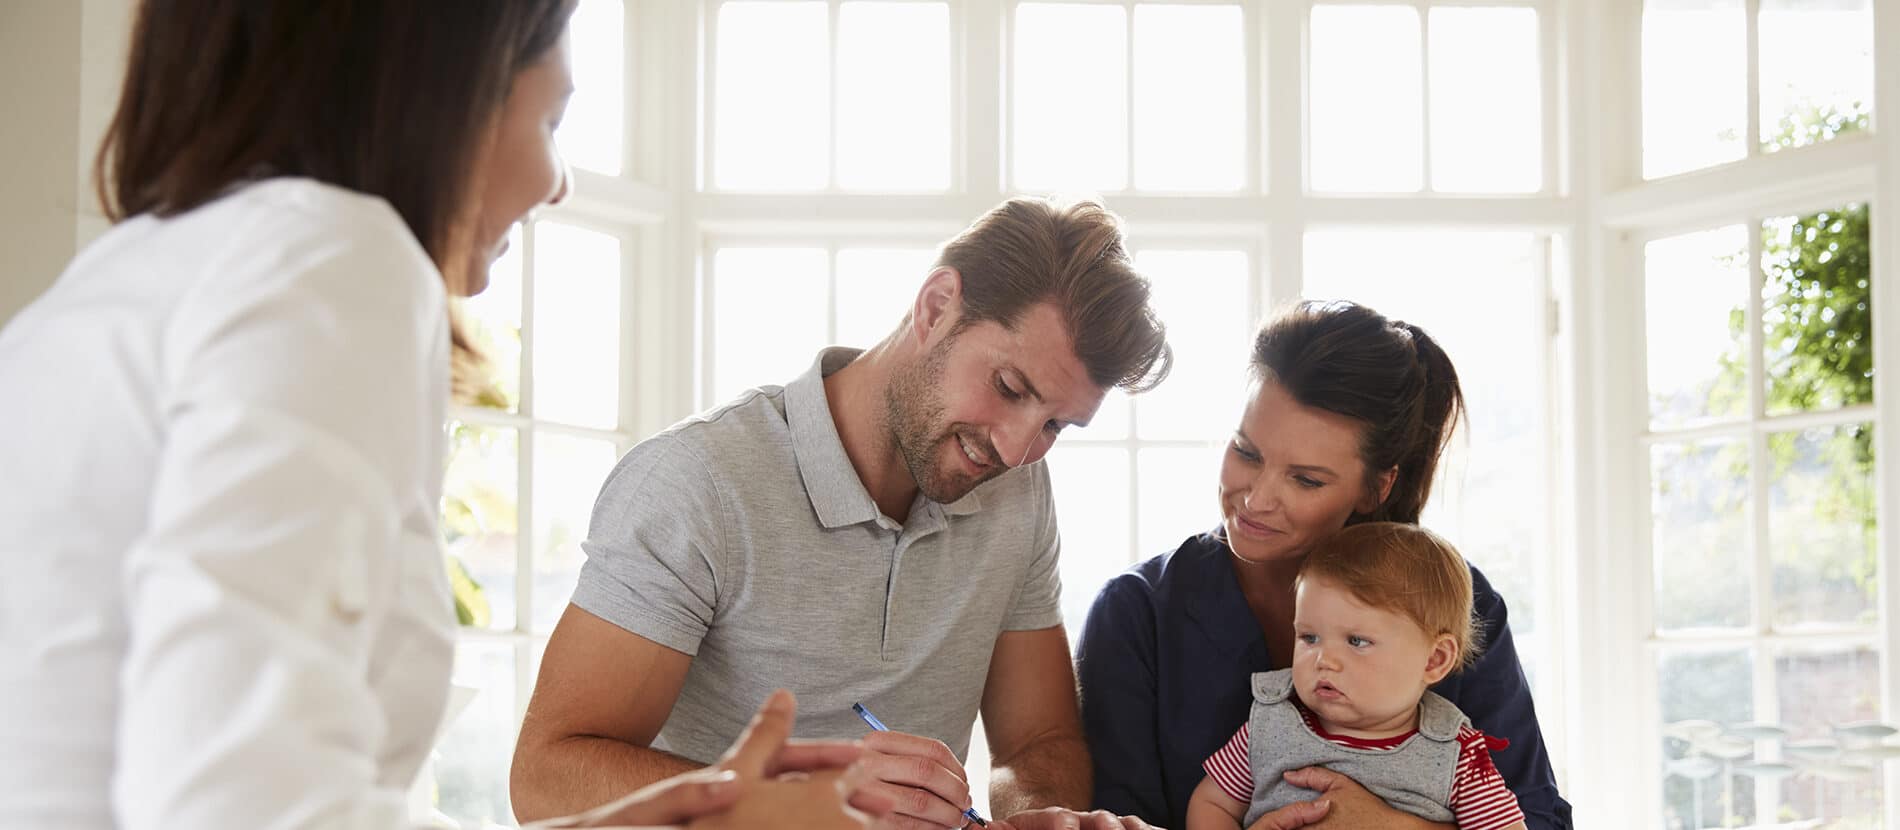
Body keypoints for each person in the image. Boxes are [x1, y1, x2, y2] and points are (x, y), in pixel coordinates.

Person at [0, 2, 878, 828]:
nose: (558, 182)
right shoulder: (333, 260)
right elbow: (236, 800)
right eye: (551, 123)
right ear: (445, 92)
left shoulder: (113, 287)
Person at [511, 197, 1172, 830]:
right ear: (938, 306)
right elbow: (546, 776)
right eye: (1008, 388)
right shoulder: (698, 481)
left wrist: (1031, 815)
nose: (1016, 447)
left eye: (1056, 424)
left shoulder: (1020, 493)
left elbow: (1037, 739)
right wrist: (788, 804)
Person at [1076, 300, 1572, 830]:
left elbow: (1538, 819)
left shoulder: (1458, 604)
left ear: (1377, 487)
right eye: (1246, 451)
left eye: (1306, 480)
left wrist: (1387, 825)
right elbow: (1113, 822)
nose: (1257, 499)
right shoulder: (1137, 613)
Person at [1185, 523, 1524, 830]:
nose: (1324, 660)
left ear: (1434, 660)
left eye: (1357, 641)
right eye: (1309, 637)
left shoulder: (1456, 756)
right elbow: (1212, 802)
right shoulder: (1270, 723)